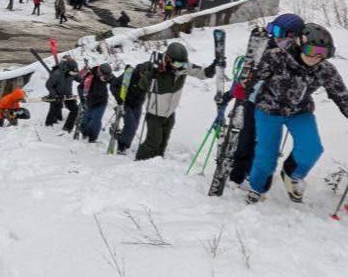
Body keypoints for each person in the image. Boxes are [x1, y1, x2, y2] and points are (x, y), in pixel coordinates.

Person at [246, 23, 348, 204]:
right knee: (266, 156)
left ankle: (293, 174)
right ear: (300, 43)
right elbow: (255, 77)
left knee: (312, 149)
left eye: (323, 53)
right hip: (269, 109)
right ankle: (257, 188)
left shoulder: (325, 69)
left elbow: (341, 95)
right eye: (312, 50)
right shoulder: (276, 57)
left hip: (300, 111)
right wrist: (242, 90)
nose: (316, 56)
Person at [229, 13, 304, 187]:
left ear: (292, 36)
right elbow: (248, 72)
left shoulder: (297, 57)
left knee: (266, 143)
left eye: (278, 31)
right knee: (246, 139)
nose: (274, 35)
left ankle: (261, 179)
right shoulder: (266, 47)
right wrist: (237, 90)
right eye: (273, 30)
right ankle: (237, 175)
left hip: (274, 109)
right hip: (253, 102)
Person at [135, 41, 216, 161]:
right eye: (176, 63)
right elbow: (142, 85)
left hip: (170, 112)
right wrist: (149, 74)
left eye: (182, 63)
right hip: (154, 113)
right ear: (168, 59)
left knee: (163, 142)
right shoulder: (156, 69)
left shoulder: (183, 67)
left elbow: (202, 73)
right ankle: (139, 162)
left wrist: (214, 67)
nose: (179, 66)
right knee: (153, 142)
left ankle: (156, 163)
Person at [109, 65, 146, 153]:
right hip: (125, 103)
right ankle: (121, 147)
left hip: (137, 104)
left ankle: (123, 142)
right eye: (142, 74)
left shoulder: (149, 78)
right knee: (131, 125)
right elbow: (114, 85)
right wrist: (119, 99)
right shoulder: (129, 74)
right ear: (140, 71)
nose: (144, 77)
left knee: (134, 126)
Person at [45, 56, 80, 131]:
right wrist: (54, 95)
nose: (72, 74)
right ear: (67, 68)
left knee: (75, 110)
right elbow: (48, 85)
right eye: (72, 73)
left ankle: (67, 128)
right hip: (56, 94)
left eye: (74, 73)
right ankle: (48, 126)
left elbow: (79, 78)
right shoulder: (57, 74)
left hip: (68, 95)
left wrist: (86, 79)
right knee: (54, 110)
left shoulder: (72, 71)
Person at [83, 64, 111, 142]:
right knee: (87, 119)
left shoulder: (107, 75)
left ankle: (93, 137)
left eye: (106, 76)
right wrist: (83, 99)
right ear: (99, 72)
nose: (105, 78)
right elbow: (81, 87)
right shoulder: (90, 76)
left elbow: (115, 83)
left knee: (96, 119)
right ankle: (85, 132)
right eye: (103, 76)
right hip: (90, 101)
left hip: (102, 101)